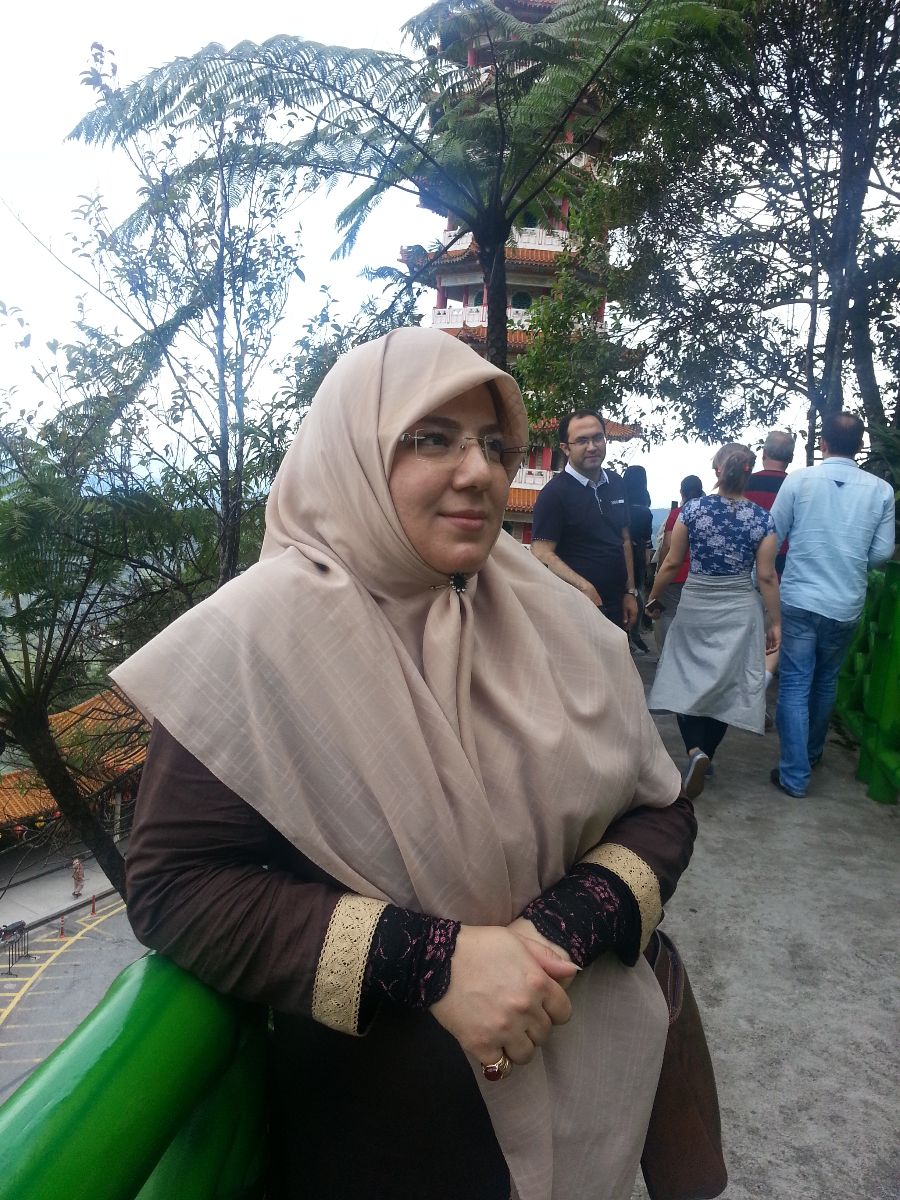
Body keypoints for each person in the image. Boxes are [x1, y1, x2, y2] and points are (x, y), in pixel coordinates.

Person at [114, 329, 697, 1200]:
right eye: (431, 439)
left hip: (590, 1069)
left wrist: (555, 933)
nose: (478, 472)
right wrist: (432, 962)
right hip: (389, 1126)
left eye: (494, 445)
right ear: (352, 451)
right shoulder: (255, 642)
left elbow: (662, 809)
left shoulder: (554, 615)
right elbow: (176, 886)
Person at [769, 412, 895, 798]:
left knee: (795, 682)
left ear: (822, 443)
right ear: (860, 445)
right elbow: (881, 554)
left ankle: (794, 775)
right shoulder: (881, 490)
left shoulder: (799, 480)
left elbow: (774, 532)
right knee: (826, 681)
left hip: (799, 597)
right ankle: (811, 754)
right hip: (845, 602)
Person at [646, 444, 780, 796]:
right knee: (726, 687)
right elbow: (766, 576)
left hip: (696, 606)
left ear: (717, 470)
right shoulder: (762, 519)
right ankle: (708, 754)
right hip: (739, 607)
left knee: (682, 679)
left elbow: (672, 563)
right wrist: (775, 622)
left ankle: (695, 751)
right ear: (748, 473)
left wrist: (654, 596)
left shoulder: (693, 510)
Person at [531, 410, 639, 630]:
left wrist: (630, 592)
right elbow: (541, 552)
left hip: (615, 604)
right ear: (565, 448)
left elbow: (624, 540)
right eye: (581, 441)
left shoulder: (617, 483)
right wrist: (584, 587)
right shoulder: (554, 494)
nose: (592, 447)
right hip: (573, 606)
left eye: (597, 438)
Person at [654, 475, 704, 650]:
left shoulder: (677, 513)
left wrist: (661, 572)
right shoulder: (709, 514)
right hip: (699, 575)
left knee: (669, 613)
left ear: (682, 492)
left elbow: (667, 545)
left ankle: (667, 653)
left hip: (676, 575)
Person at [623, 465, 654, 653]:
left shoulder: (619, 506)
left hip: (616, 554)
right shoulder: (644, 512)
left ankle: (624, 636)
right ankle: (634, 635)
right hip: (637, 556)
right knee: (637, 594)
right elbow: (648, 543)